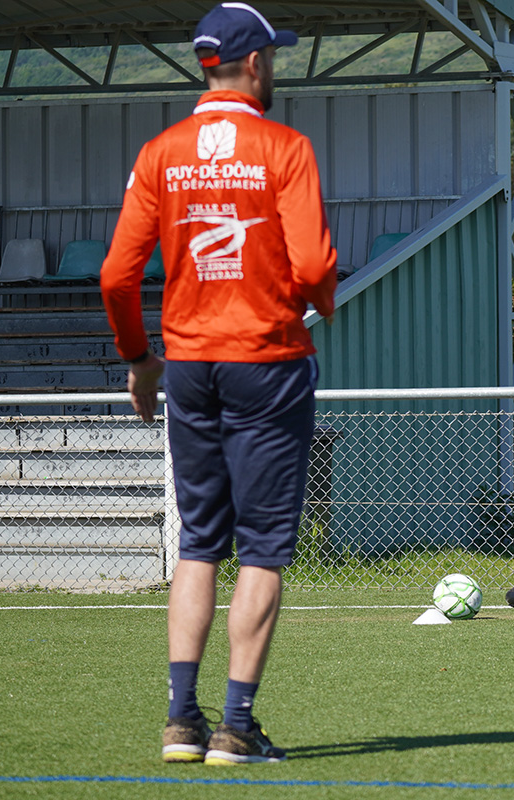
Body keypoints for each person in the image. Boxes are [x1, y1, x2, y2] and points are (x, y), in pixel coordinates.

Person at [101, 2, 336, 765]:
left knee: (200, 542)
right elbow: (315, 266)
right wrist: (319, 302)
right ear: (258, 63)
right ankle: (236, 725)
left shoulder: (161, 152)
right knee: (263, 548)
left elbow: (115, 276)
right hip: (267, 361)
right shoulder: (285, 147)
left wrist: (142, 360)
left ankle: (180, 720)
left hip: (192, 364)